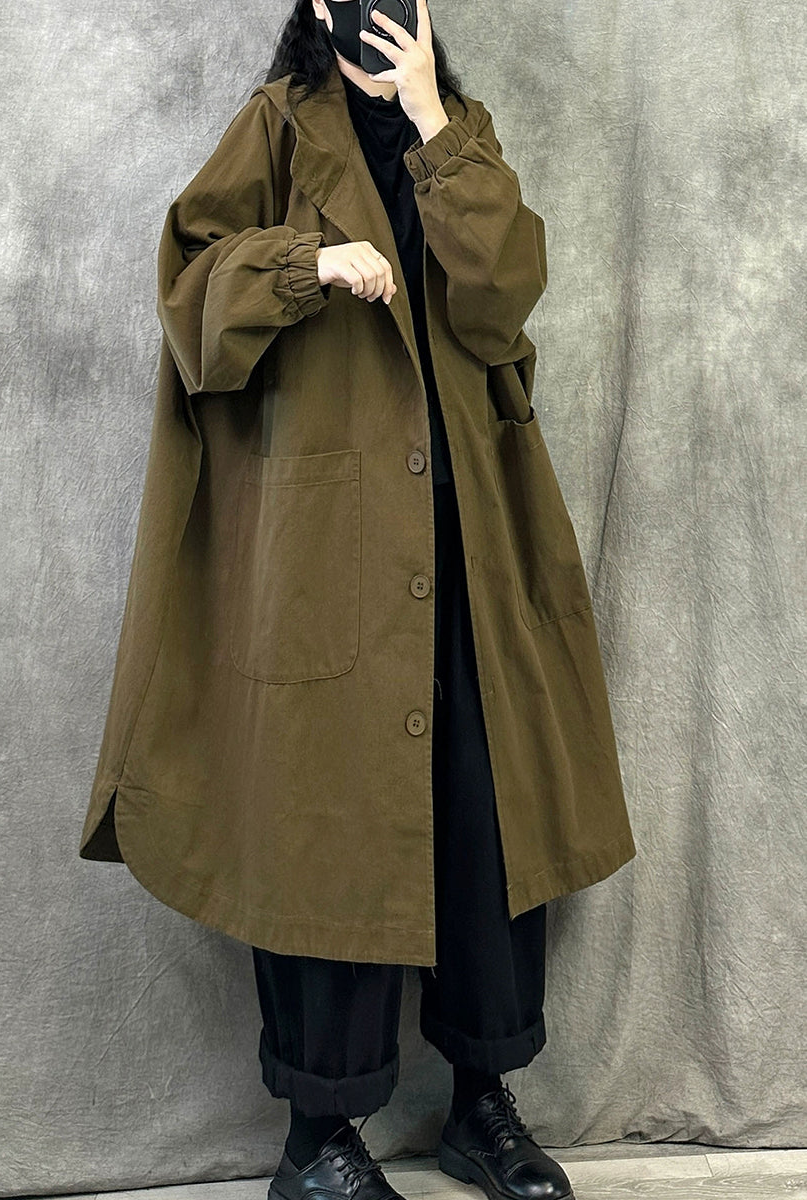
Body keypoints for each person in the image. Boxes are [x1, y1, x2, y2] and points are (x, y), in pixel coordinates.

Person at [79, 0, 637, 1196]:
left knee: (488, 813)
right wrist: (308, 263)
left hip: (472, 535)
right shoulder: (277, 126)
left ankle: (482, 1106)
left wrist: (433, 121)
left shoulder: (460, 129)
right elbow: (190, 297)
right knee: (324, 820)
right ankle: (317, 1143)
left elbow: (502, 294)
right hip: (329, 551)